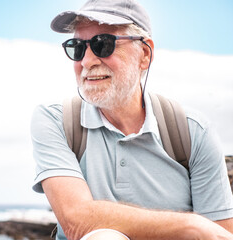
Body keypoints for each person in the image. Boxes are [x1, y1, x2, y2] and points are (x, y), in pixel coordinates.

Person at [30, 0, 233, 239]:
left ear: (144, 54)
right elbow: (78, 221)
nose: (87, 61)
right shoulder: (56, 121)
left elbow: (220, 234)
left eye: (102, 44)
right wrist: (191, 226)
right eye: (77, 47)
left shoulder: (192, 131)